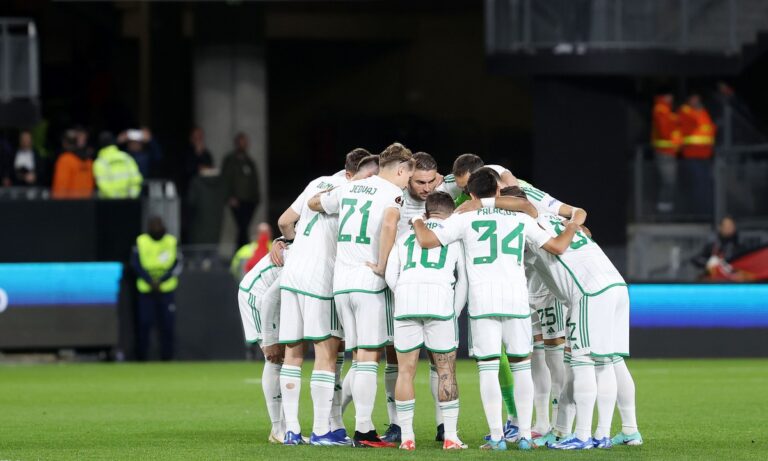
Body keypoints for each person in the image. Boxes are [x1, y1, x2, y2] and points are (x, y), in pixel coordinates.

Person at [412, 168, 578, 451]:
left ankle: (497, 437)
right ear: (499, 191)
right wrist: (572, 226)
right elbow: (557, 246)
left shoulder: (464, 217)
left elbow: (427, 241)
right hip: (516, 300)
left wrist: (417, 220)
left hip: (483, 302)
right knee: (522, 367)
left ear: (471, 194)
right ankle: (525, 435)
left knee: (488, 370)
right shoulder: (520, 218)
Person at [308, 142, 414, 448]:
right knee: (368, 358)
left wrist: (343, 188)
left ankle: (342, 423)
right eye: (408, 176)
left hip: (341, 284)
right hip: (368, 282)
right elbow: (390, 223)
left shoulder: (349, 187)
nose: (407, 184)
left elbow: (314, 203)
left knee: (357, 357)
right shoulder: (392, 193)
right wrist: (382, 264)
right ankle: (364, 430)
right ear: (400, 169)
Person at [274, 148, 372, 446]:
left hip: (292, 274)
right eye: (369, 175)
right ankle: (321, 430)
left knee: (293, 353)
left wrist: (296, 244)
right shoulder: (353, 192)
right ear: (352, 174)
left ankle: (291, 430)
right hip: (321, 278)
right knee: (327, 352)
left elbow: (284, 221)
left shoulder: (317, 182)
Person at [385, 191, 468, 450]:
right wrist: (454, 312)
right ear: (450, 214)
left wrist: (404, 293)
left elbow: (390, 274)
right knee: (446, 371)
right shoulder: (454, 236)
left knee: (405, 371)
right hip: (439, 303)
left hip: (406, 303)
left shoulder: (405, 237)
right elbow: (463, 280)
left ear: (427, 211)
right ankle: (450, 437)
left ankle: (407, 437)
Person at [237, 250, 286, 443]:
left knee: (286, 358)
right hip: (257, 295)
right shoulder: (300, 257)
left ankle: (286, 427)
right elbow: (269, 298)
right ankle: (278, 429)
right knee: (274, 357)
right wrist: (269, 340)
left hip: (275, 297)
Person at [131, 216, 182, 361]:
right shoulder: (141, 241)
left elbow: (177, 264)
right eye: (153, 226)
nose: (156, 229)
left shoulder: (171, 241)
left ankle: (167, 358)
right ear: (149, 228)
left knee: (167, 325)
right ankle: (141, 358)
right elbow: (135, 264)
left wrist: (161, 280)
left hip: (166, 290)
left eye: (159, 225)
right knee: (144, 324)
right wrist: (150, 281)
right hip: (146, 290)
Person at [222, 132, 261, 248]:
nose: (243, 145)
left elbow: (254, 180)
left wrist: (256, 198)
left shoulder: (249, 161)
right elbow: (226, 179)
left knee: (244, 227)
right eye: (241, 142)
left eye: (245, 142)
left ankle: (242, 250)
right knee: (242, 226)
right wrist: (229, 196)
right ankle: (243, 249)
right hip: (237, 200)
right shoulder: (230, 160)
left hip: (250, 200)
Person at [679, 94, 716, 214]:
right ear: (688, 100)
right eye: (693, 98)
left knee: (706, 184)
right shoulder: (685, 111)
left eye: (697, 98)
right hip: (692, 155)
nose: (696, 101)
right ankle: (699, 213)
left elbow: (710, 129)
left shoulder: (703, 112)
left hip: (706, 155)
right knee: (697, 184)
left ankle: (707, 211)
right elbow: (690, 127)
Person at [652, 91, 682, 213]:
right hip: (664, 152)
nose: (671, 98)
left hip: (671, 152)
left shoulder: (669, 110)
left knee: (671, 181)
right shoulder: (661, 109)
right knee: (668, 181)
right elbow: (664, 132)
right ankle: (663, 209)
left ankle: (667, 208)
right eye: (669, 95)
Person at [693, 216, 748, 280]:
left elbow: (746, 262)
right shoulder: (713, 244)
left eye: (731, 226)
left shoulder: (740, 245)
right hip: (715, 279)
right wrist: (708, 263)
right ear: (720, 227)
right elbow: (697, 259)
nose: (728, 228)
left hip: (734, 279)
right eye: (726, 226)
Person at [93, 132, 143, 199]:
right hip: (129, 201)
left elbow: (103, 185)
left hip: (109, 202)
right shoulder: (126, 157)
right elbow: (136, 179)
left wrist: (116, 199)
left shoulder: (100, 162)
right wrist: (132, 196)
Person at [52, 129, 94, 199]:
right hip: (87, 202)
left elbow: (60, 187)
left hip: (70, 203)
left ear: (64, 142)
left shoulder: (65, 160)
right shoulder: (88, 161)